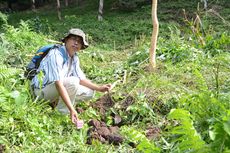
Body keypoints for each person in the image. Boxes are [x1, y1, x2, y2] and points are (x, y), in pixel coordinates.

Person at [31, 28, 111, 124]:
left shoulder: (74, 57)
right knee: (73, 82)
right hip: (41, 91)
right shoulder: (56, 54)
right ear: (66, 40)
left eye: (79, 42)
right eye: (73, 39)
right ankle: (62, 115)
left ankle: (58, 103)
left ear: (81, 46)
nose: (76, 43)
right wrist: (72, 109)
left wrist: (99, 88)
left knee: (90, 92)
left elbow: (81, 79)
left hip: (55, 89)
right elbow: (58, 84)